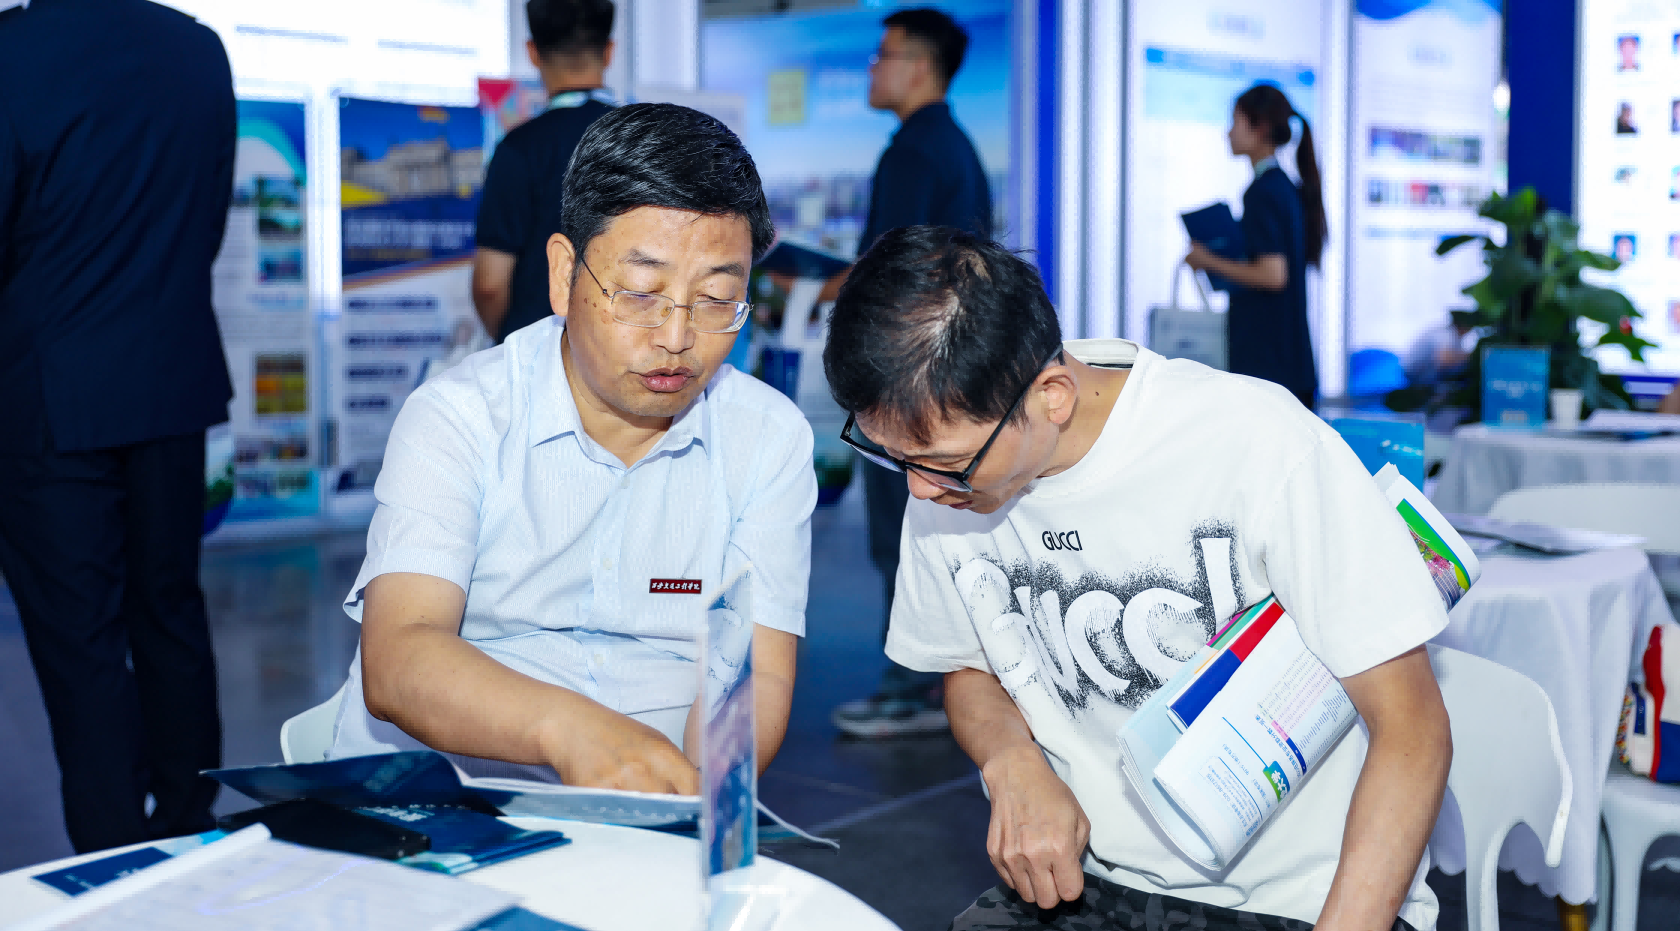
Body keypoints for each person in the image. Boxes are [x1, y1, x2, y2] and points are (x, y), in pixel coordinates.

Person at [825, 226, 1453, 931]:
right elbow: (970, 667)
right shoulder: (945, 478)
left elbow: (1413, 727)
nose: (918, 490)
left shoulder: (1256, 442)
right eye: (893, 458)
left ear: (1053, 395)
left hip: (1303, 901)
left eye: (945, 463)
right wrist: (1010, 759)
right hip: (1092, 885)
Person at [327, 103, 814, 795]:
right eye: (640, 294)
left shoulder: (766, 437)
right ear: (563, 275)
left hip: (652, 803)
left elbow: (753, 674)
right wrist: (572, 732)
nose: (676, 337)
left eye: (715, 298)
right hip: (447, 796)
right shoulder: (460, 416)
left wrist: (699, 807)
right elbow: (401, 656)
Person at [0, 0, 235, 853]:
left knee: (82, 645)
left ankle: (113, 857)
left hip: (48, 397)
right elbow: (208, 218)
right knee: (170, 612)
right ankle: (187, 825)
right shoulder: (197, 49)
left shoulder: (14, 50)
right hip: (170, 380)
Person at [826, 5, 994, 739]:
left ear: (919, 67)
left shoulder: (915, 153)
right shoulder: (952, 147)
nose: (873, 68)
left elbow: (885, 266)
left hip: (907, 374)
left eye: (884, 54)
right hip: (946, 371)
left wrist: (817, 290)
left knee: (902, 530)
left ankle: (911, 689)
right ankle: (933, 685)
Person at [472, 0, 616, 344]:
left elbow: (490, 284)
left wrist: (511, 347)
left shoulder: (518, 149)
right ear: (609, 52)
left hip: (536, 352)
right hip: (621, 350)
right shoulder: (643, 140)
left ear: (532, 52)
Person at [1187, 83, 1324, 411]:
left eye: (1235, 122)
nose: (1229, 132)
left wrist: (1208, 260)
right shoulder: (1283, 187)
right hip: (1286, 364)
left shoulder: (1264, 192)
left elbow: (1273, 275)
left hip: (1270, 366)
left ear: (1259, 128)